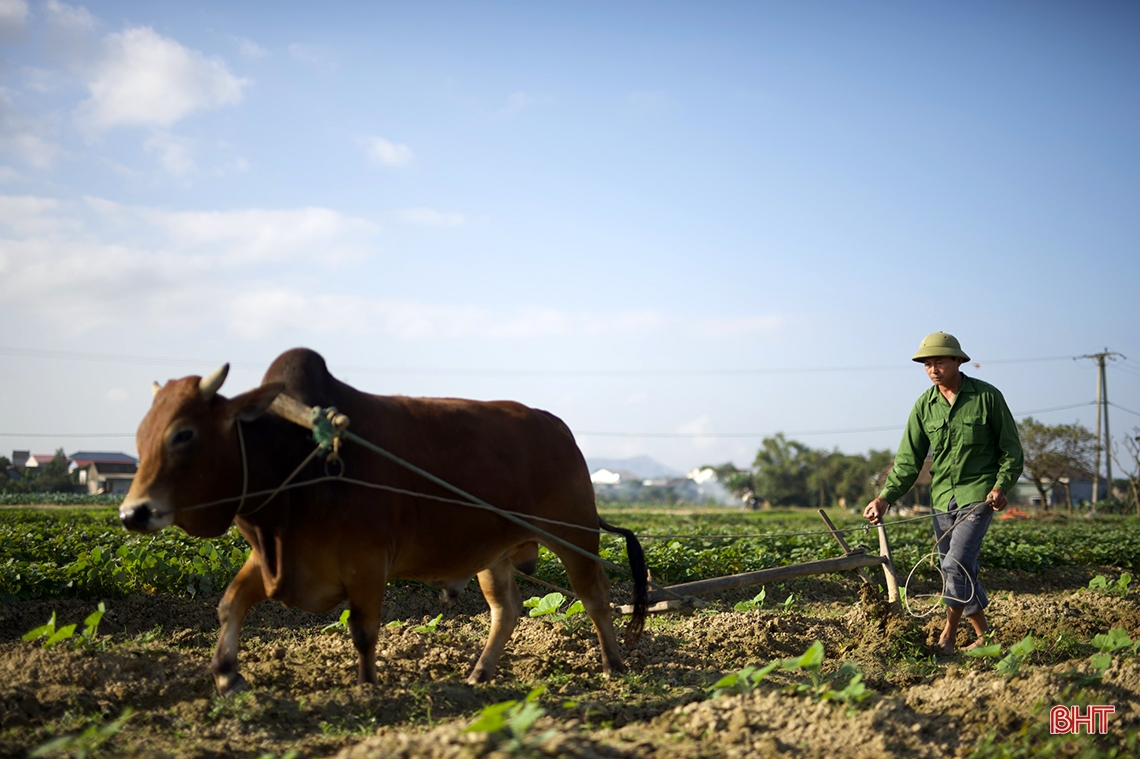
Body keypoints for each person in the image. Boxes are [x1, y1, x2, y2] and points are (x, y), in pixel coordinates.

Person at [863, 332, 1023, 654]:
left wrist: (1001, 486)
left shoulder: (987, 398)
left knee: (956, 563)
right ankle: (985, 636)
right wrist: (885, 497)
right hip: (941, 499)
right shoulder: (924, 407)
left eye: (939, 362)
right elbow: (908, 461)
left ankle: (947, 635)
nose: (933, 369)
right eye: (927, 364)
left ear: (957, 362)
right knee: (960, 568)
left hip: (978, 495)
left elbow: (1011, 451)